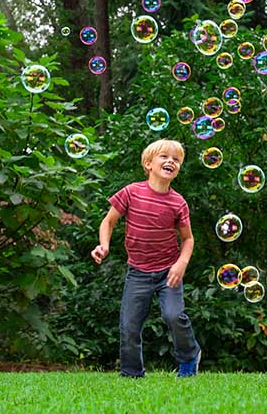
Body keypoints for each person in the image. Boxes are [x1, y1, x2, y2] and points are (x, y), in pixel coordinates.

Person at [91, 139, 201, 378]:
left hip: (168, 271)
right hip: (138, 272)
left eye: (176, 159)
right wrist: (104, 245)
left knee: (173, 315)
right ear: (148, 163)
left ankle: (189, 355)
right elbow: (108, 222)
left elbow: (188, 239)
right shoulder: (132, 192)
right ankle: (131, 373)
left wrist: (181, 264)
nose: (171, 161)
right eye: (164, 156)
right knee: (129, 325)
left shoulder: (178, 202)